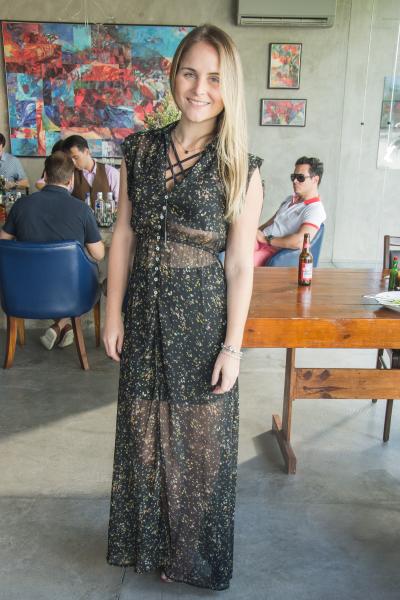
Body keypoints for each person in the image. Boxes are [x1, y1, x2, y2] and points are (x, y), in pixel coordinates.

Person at [103, 24, 263, 591]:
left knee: (199, 443)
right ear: (173, 76)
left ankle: (191, 555)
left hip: (201, 317)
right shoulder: (140, 149)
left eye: (214, 78)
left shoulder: (240, 164)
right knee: (143, 432)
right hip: (143, 313)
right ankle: (149, 547)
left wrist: (233, 347)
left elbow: (240, 265)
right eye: (190, 73)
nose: (200, 88)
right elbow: (123, 235)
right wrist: (112, 312)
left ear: (229, 85)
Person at [0, 151, 104, 349]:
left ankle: (60, 326)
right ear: (70, 180)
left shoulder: (21, 205)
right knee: (87, 276)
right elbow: (99, 254)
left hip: (23, 290)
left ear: (45, 176)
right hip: (71, 294)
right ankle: (63, 325)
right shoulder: (82, 209)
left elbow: (3, 243)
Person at [254, 156, 326, 266]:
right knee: (230, 248)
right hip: (259, 242)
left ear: (315, 180)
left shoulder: (315, 209)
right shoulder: (289, 199)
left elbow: (300, 241)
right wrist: (253, 232)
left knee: (238, 264)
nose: (295, 181)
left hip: (272, 250)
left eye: (300, 178)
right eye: (293, 177)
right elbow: (270, 222)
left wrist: (265, 239)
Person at [62, 135, 120, 205]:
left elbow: (120, 203)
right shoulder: (70, 175)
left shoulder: (111, 173)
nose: (73, 162)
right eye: (70, 159)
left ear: (87, 152)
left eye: (76, 157)